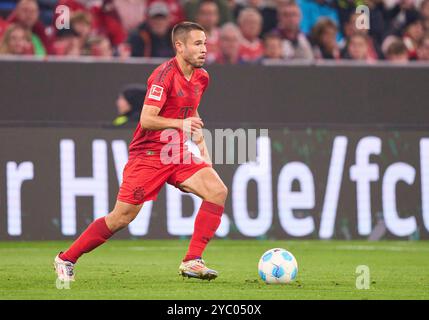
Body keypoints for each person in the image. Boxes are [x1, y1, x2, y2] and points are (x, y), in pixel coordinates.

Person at [54, 21, 228, 282]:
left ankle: (192, 260)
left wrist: (202, 148)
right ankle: (66, 258)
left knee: (217, 191)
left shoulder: (202, 77)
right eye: (198, 43)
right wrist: (180, 124)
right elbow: (147, 119)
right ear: (179, 47)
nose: (204, 49)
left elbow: (191, 112)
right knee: (121, 217)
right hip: (148, 154)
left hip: (176, 151)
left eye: (205, 43)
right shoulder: (163, 76)